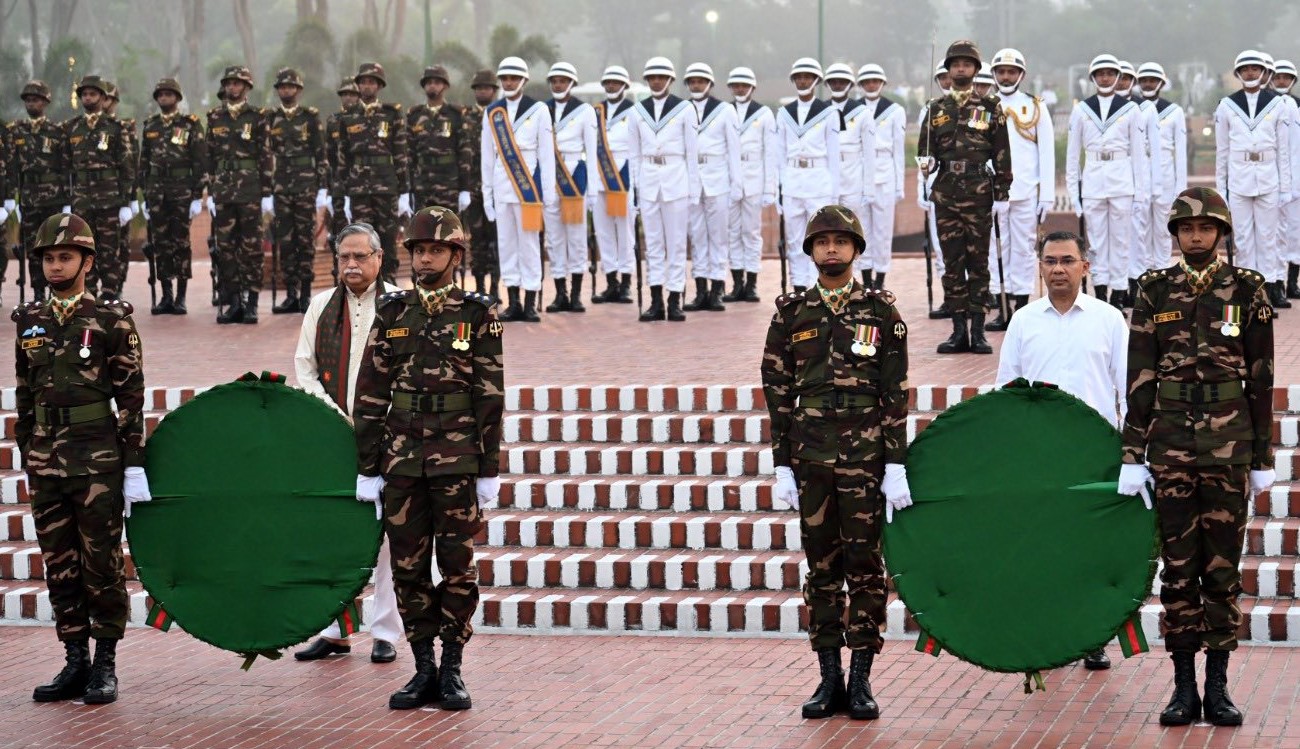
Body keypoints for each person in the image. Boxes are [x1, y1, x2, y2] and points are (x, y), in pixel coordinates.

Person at [1118, 186, 1274, 727]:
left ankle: (1219, 686)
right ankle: (1184, 687)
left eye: (1206, 228)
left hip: (1230, 444)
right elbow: (1140, 375)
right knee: (1179, 569)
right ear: (1176, 235)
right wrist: (1132, 451)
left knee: (1222, 568)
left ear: (1221, 233)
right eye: (1187, 229)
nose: (1196, 236)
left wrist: (1261, 455)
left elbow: (1262, 376)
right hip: (1171, 445)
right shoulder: (1154, 289)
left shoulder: (1248, 288)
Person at [761, 204, 912, 721]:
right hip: (811, 454)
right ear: (811, 251)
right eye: (822, 242)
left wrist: (896, 463)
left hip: (865, 456)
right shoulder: (791, 313)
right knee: (822, 569)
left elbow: (895, 391)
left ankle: (862, 678)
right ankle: (829, 677)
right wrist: (782, 462)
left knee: (865, 568)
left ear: (856, 250)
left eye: (840, 241)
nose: (831, 249)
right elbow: (777, 392)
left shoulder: (881, 311)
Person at [353, 206, 503, 710]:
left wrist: (488, 469)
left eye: (436, 250)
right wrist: (367, 468)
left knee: (457, 567)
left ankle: (453, 666)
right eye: (419, 250)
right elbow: (370, 394)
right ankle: (423, 668)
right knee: (408, 568)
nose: (425, 259)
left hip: (457, 460)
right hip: (402, 461)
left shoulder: (477, 314)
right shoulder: (393, 312)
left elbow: (490, 396)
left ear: (455, 256)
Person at [14, 213, 148, 705]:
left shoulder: (112, 319)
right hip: (46, 462)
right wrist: (28, 450)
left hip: (96, 461)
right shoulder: (30, 320)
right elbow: (25, 394)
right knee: (60, 564)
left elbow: (131, 398)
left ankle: (105, 664)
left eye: (65, 257)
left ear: (87, 262)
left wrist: (132, 464)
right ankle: (75, 660)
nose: (55, 266)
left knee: (101, 565)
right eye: (49, 258)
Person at [995, 230, 1128, 670]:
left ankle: (1092, 635)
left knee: (1090, 549)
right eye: (1050, 261)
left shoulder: (1109, 319)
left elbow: (1129, 390)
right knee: (1042, 545)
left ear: (1085, 267)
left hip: (1094, 451)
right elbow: (1007, 389)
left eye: (1067, 260)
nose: (1058, 269)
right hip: (1040, 453)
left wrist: (1132, 454)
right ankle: (1047, 634)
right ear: (1040, 267)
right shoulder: (1023, 321)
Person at [292, 222, 404, 665]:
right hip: (333, 437)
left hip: (389, 436)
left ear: (379, 258)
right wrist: (334, 416)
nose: (352, 264)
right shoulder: (321, 306)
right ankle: (335, 632)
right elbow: (305, 368)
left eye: (361, 256)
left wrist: (381, 418)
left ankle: (386, 633)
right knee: (333, 531)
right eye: (344, 257)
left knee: (389, 537)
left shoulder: (399, 305)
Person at [918, 40, 1013, 355]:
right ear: (948, 70)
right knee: (952, 263)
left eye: (966, 64)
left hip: (978, 191)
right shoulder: (936, 108)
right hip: (946, 191)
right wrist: (925, 162)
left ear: (975, 70)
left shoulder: (989, 107)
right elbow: (925, 150)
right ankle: (958, 330)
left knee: (979, 263)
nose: (961, 68)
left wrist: (1002, 191)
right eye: (955, 64)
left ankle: (978, 330)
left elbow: (1002, 152)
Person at [1065, 53, 1149, 309]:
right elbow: (1072, 157)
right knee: (1097, 243)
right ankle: (1100, 292)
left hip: (1122, 182)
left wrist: (1141, 195)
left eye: (1110, 74)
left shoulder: (1131, 110)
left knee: (1122, 242)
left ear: (1118, 77)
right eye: (1100, 74)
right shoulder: (1081, 110)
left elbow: (1139, 156)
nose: (1105, 78)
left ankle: (1119, 295)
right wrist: (1074, 195)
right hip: (1093, 183)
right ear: (1093, 78)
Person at [480, 56, 555, 322]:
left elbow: (546, 155)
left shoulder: (539, 110)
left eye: (514, 78)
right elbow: (487, 157)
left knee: (530, 245)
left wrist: (548, 193)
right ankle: (513, 302)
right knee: (507, 245)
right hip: (502, 187)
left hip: (528, 189)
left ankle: (531, 302)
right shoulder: (493, 112)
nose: (509, 82)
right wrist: (487, 195)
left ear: (524, 80)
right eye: (505, 78)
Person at [985, 48, 1055, 331]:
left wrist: (1047, 194)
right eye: (1001, 71)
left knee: (1024, 248)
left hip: (1026, 189)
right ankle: (1001, 305)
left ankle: (1021, 305)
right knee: (997, 248)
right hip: (993, 192)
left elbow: (1046, 152)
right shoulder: (984, 106)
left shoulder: (1035, 106)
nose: (1006, 76)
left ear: (1021, 75)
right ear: (994, 74)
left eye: (1011, 72)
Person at [1214, 50, 1292, 308]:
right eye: (1245, 69)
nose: (1250, 73)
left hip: (1269, 177)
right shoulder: (1227, 105)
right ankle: (1247, 293)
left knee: (1268, 238)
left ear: (1263, 72)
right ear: (1238, 73)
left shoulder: (1277, 104)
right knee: (1244, 240)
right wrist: (1221, 189)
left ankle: (1266, 293)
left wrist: (1285, 187)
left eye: (1255, 68)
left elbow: (1284, 151)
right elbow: (1222, 151)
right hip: (1239, 179)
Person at [628, 56, 699, 322]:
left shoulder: (684, 109)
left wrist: (693, 189)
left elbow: (692, 152)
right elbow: (633, 154)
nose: (656, 81)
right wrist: (634, 189)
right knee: (653, 244)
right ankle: (656, 300)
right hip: (648, 181)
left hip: (676, 179)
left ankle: (674, 300)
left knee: (676, 244)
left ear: (670, 80)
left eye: (661, 77)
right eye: (652, 78)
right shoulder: (637, 111)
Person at [207, 65, 273, 324]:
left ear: (246, 87)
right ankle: (234, 302)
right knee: (225, 248)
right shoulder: (215, 117)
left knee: (252, 247)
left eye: (237, 83)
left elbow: (265, 155)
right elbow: (209, 156)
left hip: (249, 190)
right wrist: (209, 191)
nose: (232, 87)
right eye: (229, 83)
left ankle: (252, 302)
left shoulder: (257, 117)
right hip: (223, 191)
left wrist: (267, 192)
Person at [338, 62, 412, 283]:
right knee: (361, 238)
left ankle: (388, 282)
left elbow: (400, 153)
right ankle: (366, 283)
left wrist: (404, 191)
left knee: (387, 237)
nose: (367, 86)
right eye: (363, 82)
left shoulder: (391, 114)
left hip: (386, 185)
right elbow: (343, 158)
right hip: (358, 187)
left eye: (371, 82)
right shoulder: (348, 116)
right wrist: (343, 193)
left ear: (379, 86)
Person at [138, 77, 207, 315]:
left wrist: (197, 195)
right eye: (160, 95)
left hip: (181, 191)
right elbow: (144, 162)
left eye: (168, 94)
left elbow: (200, 161)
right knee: (161, 244)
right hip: (157, 191)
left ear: (177, 98)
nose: (164, 98)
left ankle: (181, 296)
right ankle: (166, 295)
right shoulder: (151, 126)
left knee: (181, 243)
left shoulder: (190, 124)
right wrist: (145, 193)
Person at [771, 58, 840, 294]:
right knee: (794, 240)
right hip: (792, 181)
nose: (802, 81)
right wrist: (779, 190)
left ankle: (817, 286)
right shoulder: (784, 113)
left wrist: (834, 194)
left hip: (819, 181)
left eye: (807, 77)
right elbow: (779, 155)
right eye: (799, 77)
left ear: (816, 80)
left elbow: (834, 156)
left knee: (819, 238)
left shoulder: (828, 113)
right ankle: (799, 286)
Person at [64, 75, 135, 300]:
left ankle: (110, 294)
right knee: (84, 248)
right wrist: (67, 200)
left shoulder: (116, 128)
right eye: (84, 94)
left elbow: (127, 168)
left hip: (109, 198)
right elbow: (65, 167)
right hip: (82, 199)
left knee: (109, 249)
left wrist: (126, 202)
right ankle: (88, 294)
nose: (88, 98)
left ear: (103, 98)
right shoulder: (72, 127)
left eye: (92, 94)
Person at [267, 68, 330, 314]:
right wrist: (268, 190)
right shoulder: (271, 118)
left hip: (305, 186)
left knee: (304, 240)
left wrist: (322, 187)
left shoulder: (310, 117)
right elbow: (266, 154)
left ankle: (305, 293)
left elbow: (320, 154)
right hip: (281, 186)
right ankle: (290, 294)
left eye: (290, 87)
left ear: (298, 90)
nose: (286, 91)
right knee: (285, 241)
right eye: (282, 87)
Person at [683, 62, 741, 312]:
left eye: (701, 81)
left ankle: (717, 288)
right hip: (691, 179)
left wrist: (736, 183)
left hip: (718, 178)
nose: (696, 85)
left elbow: (734, 149)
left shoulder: (725, 110)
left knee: (718, 237)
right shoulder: (682, 109)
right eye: (692, 81)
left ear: (709, 84)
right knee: (697, 236)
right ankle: (700, 290)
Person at [542, 62, 598, 314]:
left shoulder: (584, 111)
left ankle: (575, 295)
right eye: (554, 81)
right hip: (549, 176)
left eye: (563, 81)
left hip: (574, 175)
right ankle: (560, 293)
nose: (558, 85)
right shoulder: (542, 109)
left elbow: (592, 150)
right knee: (554, 239)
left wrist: (593, 188)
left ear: (572, 83)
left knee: (576, 237)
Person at [8, 80, 69, 301]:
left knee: (53, 247)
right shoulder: (16, 131)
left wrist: (67, 200)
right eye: (28, 100)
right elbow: (12, 167)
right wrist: (12, 198)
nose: (31, 104)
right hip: (28, 198)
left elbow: (65, 167)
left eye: (35, 100)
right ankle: (38, 292)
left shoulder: (56, 131)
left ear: (45, 102)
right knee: (34, 248)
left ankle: (56, 291)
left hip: (53, 198)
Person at [722, 66, 775, 304]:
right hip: (729, 179)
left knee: (751, 233)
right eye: (736, 85)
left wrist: (769, 187)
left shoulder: (763, 114)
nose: (740, 89)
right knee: (732, 232)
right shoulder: (724, 111)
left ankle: (752, 283)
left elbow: (770, 153)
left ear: (752, 87)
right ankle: (737, 284)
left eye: (744, 85)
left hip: (755, 178)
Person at [824, 62, 877, 290]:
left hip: (853, 175)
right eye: (833, 81)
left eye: (842, 81)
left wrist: (868, 188)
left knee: (856, 229)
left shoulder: (862, 112)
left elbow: (869, 154)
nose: (838, 85)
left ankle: (865, 278)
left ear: (850, 84)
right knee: (828, 229)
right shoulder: (821, 111)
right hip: (828, 176)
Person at [1134, 63, 1187, 283]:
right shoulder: (1132, 108)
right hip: (1140, 174)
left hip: (1165, 174)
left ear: (1161, 83)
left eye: (1153, 80)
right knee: (1141, 228)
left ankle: (1164, 272)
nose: (1148, 84)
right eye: (1144, 80)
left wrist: (1180, 187)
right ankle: (1146, 274)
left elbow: (1180, 152)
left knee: (1163, 228)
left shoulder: (1174, 111)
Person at [855, 64, 906, 291]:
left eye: (875, 81)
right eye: (867, 82)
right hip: (859, 174)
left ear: (882, 83)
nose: (871, 85)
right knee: (862, 229)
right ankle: (866, 278)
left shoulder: (894, 110)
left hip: (885, 173)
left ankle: (881, 278)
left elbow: (899, 151)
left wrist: (899, 185)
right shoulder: (854, 110)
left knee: (883, 232)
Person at [590, 65, 637, 305]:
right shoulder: (595, 112)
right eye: (608, 82)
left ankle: (626, 282)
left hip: (623, 178)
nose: (611, 86)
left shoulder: (635, 111)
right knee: (604, 232)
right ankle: (611, 281)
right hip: (599, 178)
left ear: (624, 86)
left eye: (616, 83)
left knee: (625, 232)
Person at [407, 65, 473, 226]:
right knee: (422, 232)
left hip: (448, 183)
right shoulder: (414, 115)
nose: (432, 86)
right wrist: (408, 189)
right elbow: (408, 154)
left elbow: (464, 153)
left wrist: (465, 188)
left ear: (445, 86)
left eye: (437, 82)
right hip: (422, 184)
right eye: (429, 82)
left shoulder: (456, 115)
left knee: (447, 231)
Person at [463, 69, 501, 297]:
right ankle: (479, 288)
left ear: (493, 91)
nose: (482, 91)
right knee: (476, 240)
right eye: (478, 88)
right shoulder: (465, 117)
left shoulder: (502, 115)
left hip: (497, 188)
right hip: (473, 188)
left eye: (486, 88)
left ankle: (495, 287)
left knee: (496, 239)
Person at [1273, 60, 1300, 299]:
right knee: (1275, 233)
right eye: (1277, 76)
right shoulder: (1268, 106)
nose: (1282, 81)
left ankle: (1292, 282)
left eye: (1286, 77)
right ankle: (1276, 283)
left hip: (1298, 177)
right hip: (1273, 178)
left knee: (1296, 232)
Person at [326, 78, 361, 239]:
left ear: (358, 96)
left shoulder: (363, 118)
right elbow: (329, 154)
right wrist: (328, 185)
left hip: (360, 177)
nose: (348, 98)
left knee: (360, 224)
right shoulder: (333, 120)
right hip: (338, 181)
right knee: (339, 225)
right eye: (345, 94)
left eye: (352, 94)